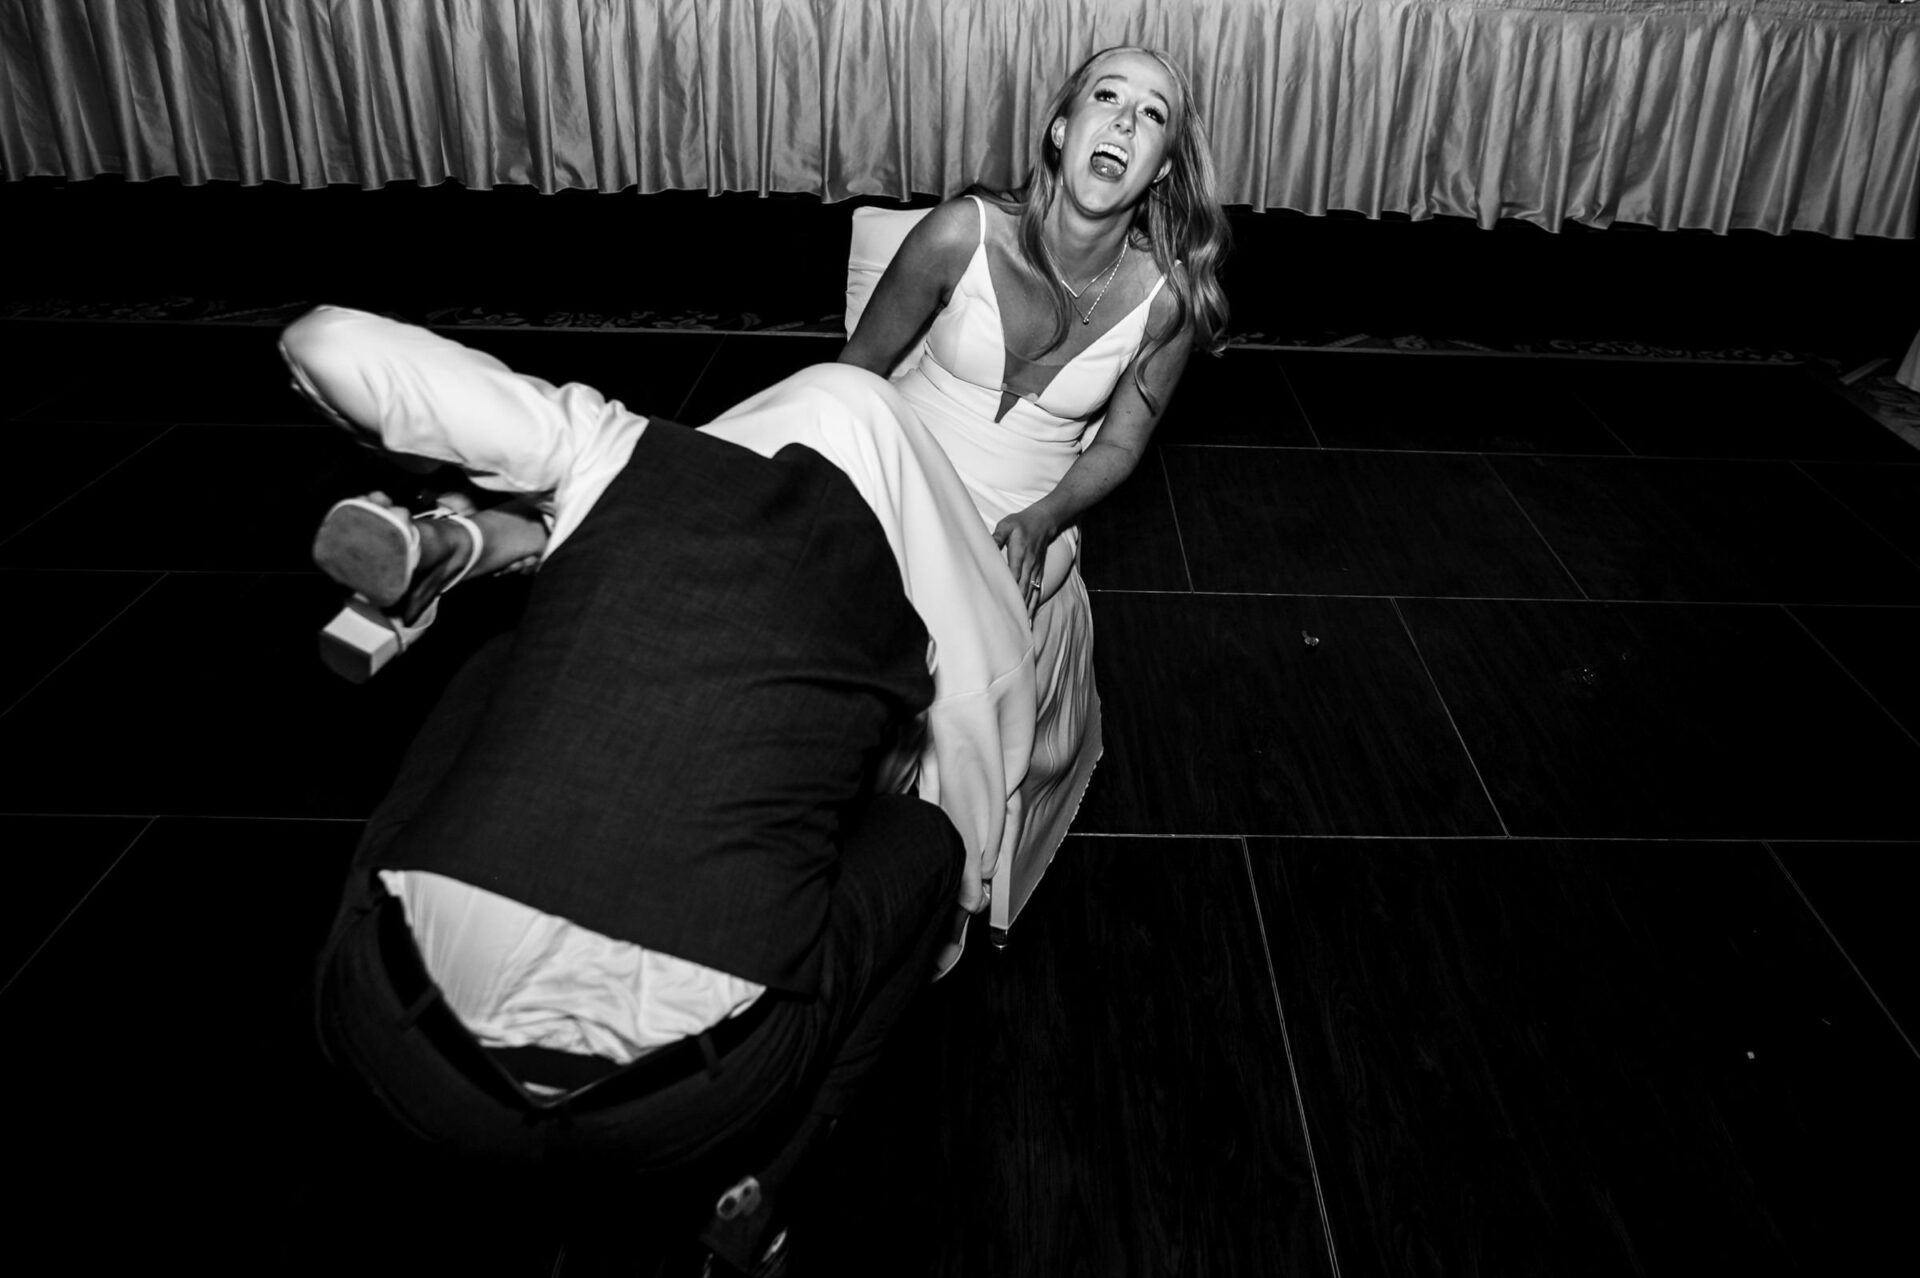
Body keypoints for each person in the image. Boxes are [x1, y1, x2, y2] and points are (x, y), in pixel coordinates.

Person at [306, 44, 1231, 938]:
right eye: (1107, 97)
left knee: (874, 568)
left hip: (1015, 514)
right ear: (1061, 128)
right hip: (891, 442)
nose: (1125, 121)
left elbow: (1118, 447)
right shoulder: (959, 231)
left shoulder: (1169, 300)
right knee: (805, 439)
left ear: (1158, 169)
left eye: (1153, 115)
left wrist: (1045, 517)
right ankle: (480, 539)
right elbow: (860, 369)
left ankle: (498, 530)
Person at [293, 309, 1020, 1274]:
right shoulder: (896, 620)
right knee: (925, 848)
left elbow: (325, 343)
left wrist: (546, 483)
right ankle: (758, 1191)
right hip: (683, 1102)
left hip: (400, 1047)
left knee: (498, 670)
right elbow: (872, 783)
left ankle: (470, 539)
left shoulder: (621, 449)